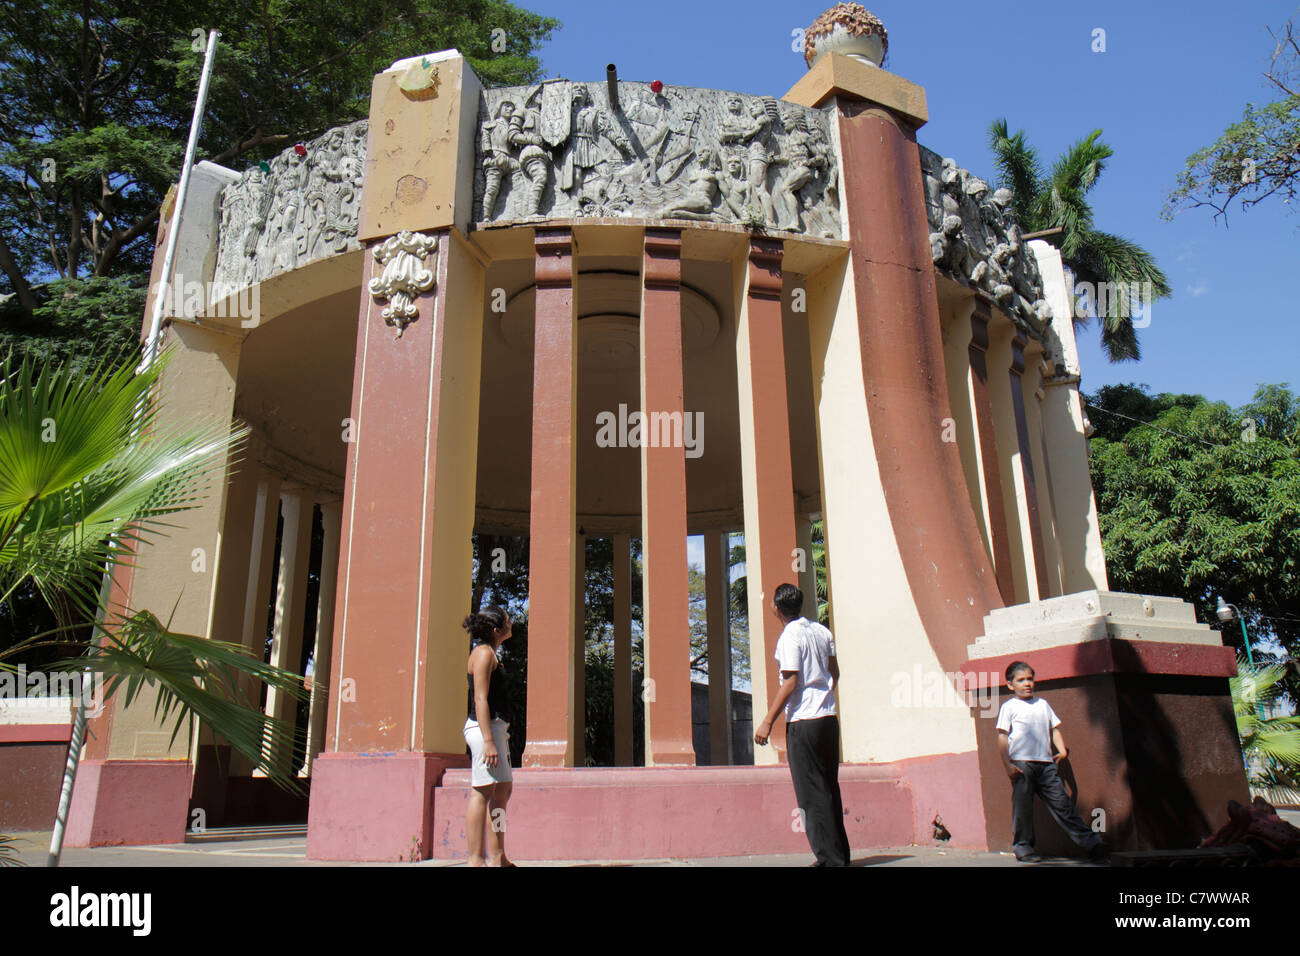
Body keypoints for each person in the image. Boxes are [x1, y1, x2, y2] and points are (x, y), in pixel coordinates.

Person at [754, 583, 851, 866]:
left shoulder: (789, 637)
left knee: (811, 792)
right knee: (829, 787)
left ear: (776, 608)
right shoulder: (822, 631)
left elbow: (791, 681)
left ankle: (830, 859)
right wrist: (825, 696)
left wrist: (767, 722)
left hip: (803, 721)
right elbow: (835, 672)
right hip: (827, 719)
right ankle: (837, 855)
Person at [996, 661, 1108, 863]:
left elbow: (1054, 729)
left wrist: (1062, 749)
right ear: (1010, 685)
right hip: (1022, 765)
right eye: (1021, 680)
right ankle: (1023, 848)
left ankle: (1092, 844)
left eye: (1030, 678)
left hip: (1047, 765)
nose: (1027, 683)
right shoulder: (1009, 707)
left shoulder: (1043, 704)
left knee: (1063, 806)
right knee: (1023, 808)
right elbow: (1002, 737)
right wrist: (1007, 765)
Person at [463, 605, 515, 867]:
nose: (511, 622)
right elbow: (480, 699)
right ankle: (476, 861)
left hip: (494, 729)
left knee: (502, 790)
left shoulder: (489, 652)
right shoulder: (483, 654)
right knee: (481, 792)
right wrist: (488, 741)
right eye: (507, 620)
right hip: (484, 730)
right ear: (497, 630)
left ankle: (497, 856)